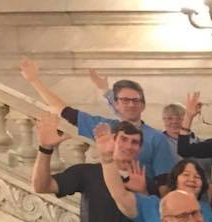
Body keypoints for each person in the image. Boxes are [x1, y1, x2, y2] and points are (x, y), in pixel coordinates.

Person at [20, 59, 176, 186]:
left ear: (143, 105)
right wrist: (34, 81)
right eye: (124, 100)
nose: (130, 104)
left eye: (135, 100)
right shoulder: (104, 127)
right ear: (116, 104)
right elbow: (64, 110)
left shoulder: (157, 138)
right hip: (103, 195)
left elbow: (164, 182)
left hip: (140, 203)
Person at [101, 155, 212, 222]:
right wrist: (107, 159)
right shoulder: (153, 206)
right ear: (175, 179)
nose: (192, 179)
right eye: (186, 175)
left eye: (197, 177)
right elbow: (120, 195)